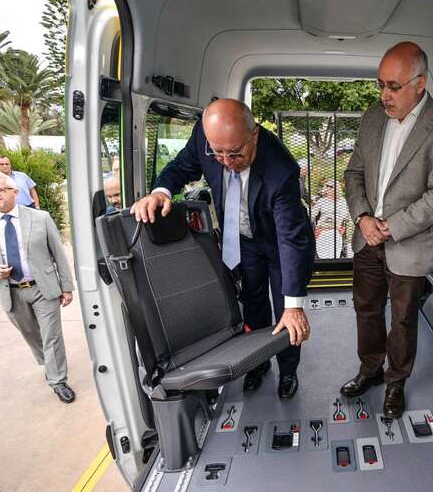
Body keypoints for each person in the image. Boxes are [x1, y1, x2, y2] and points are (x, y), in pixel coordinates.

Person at [131, 98, 314, 399]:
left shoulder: (281, 170)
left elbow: (290, 239)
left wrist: (295, 306)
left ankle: (288, 371)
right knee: (253, 303)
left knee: (286, 311)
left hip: (280, 243)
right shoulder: (205, 138)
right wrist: (161, 192)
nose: (227, 161)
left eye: (236, 153)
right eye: (218, 153)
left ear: (254, 135)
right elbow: (180, 167)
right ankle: (257, 364)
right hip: (244, 239)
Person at [340, 41, 433, 418]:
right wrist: (363, 218)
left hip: (409, 244)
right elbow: (353, 173)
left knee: (403, 320)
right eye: (380, 85)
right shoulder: (372, 117)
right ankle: (370, 370)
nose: (384, 95)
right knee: (365, 309)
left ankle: (396, 381)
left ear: (420, 83)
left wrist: (390, 227)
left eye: (394, 87)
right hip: (366, 237)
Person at [0, 171, 76, 404]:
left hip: (43, 288)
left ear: (14, 191)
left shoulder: (40, 218)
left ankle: (58, 380)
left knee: (52, 336)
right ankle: (49, 362)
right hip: (11, 291)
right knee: (31, 334)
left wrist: (67, 287)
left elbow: (58, 254)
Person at [312, 180, 349, 259]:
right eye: (327, 186)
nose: (328, 188)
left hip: (335, 229)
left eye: (331, 187)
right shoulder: (322, 201)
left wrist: (334, 224)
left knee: (334, 254)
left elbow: (344, 216)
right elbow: (312, 214)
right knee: (322, 254)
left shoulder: (342, 201)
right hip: (322, 229)